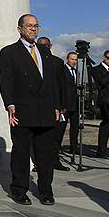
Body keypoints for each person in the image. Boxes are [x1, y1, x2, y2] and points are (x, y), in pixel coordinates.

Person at [0, 15, 63, 205]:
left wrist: (57, 106)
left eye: (36, 26)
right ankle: (19, 190)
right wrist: (9, 105)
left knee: (45, 154)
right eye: (29, 26)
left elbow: (51, 81)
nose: (33, 29)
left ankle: (46, 191)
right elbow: (6, 81)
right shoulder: (9, 52)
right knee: (21, 153)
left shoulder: (45, 51)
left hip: (46, 110)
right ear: (20, 29)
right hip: (22, 111)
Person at [34, 36, 70, 172]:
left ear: (50, 46)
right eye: (40, 45)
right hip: (37, 105)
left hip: (54, 105)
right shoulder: (32, 60)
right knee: (38, 137)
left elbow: (62, 85)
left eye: (46, 45)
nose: (44, 47)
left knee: (56, 136)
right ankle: (38, 163)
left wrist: (62, 105)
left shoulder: (57, 62)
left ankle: (55, 160)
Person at [60, 52, 80, 154]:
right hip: (65, 103)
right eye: (72, 59)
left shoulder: (76, 72)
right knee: (61, 127)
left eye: (76, 60)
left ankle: (74, 147)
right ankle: (57, 147)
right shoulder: (62, 70)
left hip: (75, 103)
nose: (74, 61)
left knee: (75, 127)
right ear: (67, 59)